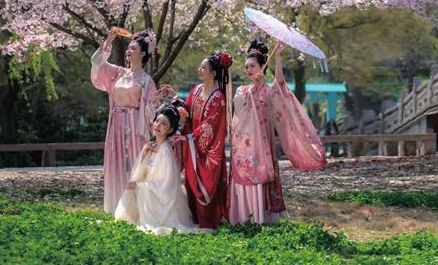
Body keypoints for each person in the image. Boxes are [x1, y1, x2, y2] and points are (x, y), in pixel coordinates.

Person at [228, 40, 326, 225]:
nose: (249, 70)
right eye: (247, 66)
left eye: (253, 66)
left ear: (262, 67)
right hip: (245, 145)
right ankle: (243, 216)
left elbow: (280, 83)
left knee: (264, 176)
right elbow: (240, 112)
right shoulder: (242, 90)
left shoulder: (269, 91)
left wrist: (278, 57)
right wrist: (253, 90)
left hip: (264, 144)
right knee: (245, 174)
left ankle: (262, 216)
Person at [91, 27, 158, 214]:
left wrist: (156, 101)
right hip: (116, 124)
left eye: (133, 49)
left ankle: (136, 208)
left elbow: (151, 109)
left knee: (134, 163)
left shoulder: (146, 81)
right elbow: (96, 63)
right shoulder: (118, 74)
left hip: (135, 127)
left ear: (143, 53)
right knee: (117, 163)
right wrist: (108, 42)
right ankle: (116, 206)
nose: (128, 51)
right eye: (128, 48)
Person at [115, 103, 196, 235]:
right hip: (151, 188)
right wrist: (145, 154)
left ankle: (150, 217)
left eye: (164, 124)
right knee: (132, 186)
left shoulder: (166, 150)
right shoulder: (151, 146)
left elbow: (167, 184)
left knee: (139, 187)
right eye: (157, 121)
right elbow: (141, 171)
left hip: (161, 195)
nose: (158, 125)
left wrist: (143, 186)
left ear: (170, 130)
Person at [181, 50, 233, 228]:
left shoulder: (218, 98)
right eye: (200, 66)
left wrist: (191, 136)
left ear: (213, 73)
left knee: (207, 182)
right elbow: (187, 112)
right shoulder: (196, 90)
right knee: (190, 180)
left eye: (204, 67)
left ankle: (209, 222)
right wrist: (176, 102)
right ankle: (194, 219)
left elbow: (210, 125)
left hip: (207, 148)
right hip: (192, 145)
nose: (199, 69)